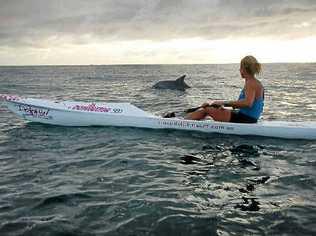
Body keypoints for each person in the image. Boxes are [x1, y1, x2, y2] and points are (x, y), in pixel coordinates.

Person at [187, 55, 264, 123]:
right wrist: (222, 106)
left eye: (240, 68)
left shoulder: (251, 83)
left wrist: (224, 103)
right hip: (249, 117)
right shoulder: (256, 83)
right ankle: (189, 120)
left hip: (245, 119)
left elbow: (247, 103)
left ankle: (184, 122)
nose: (239, 70)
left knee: (207, 109)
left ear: (244, 69)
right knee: (212, 106)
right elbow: (248, 105)